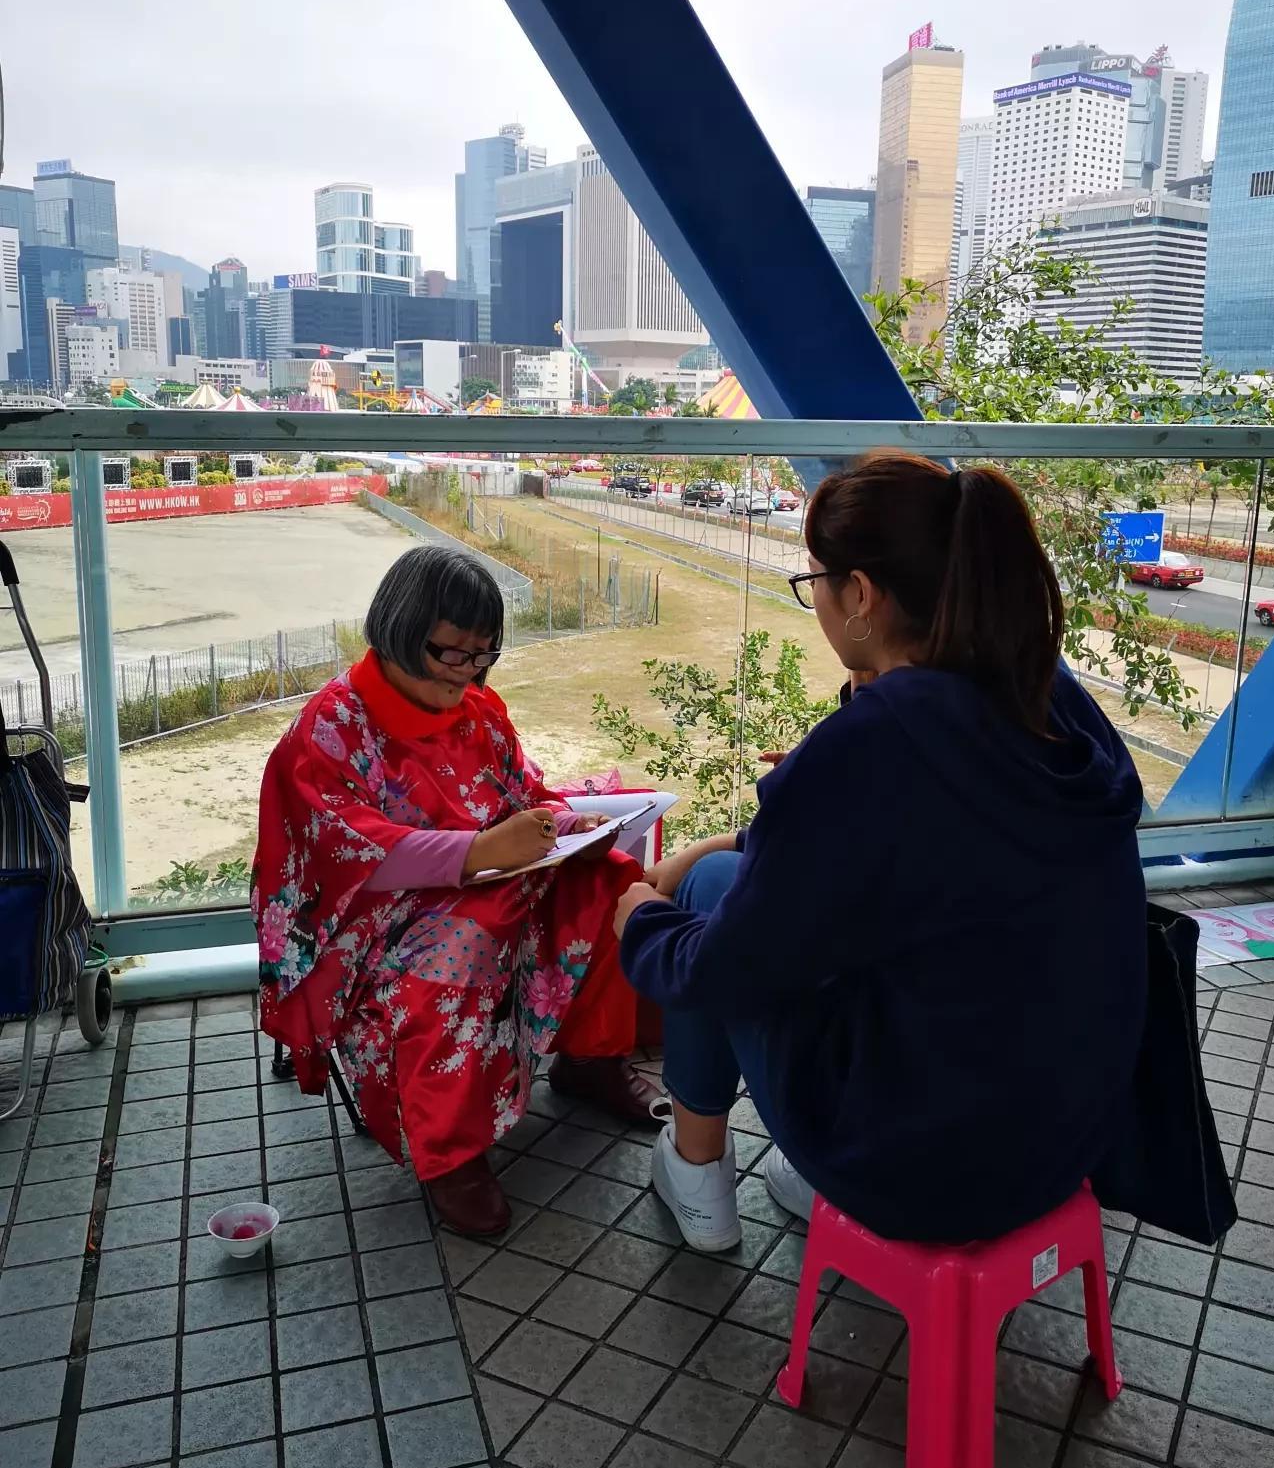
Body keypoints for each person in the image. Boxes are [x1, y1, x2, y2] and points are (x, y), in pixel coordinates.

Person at [613, 451, 1148, 1252]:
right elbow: (910, 851)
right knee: (730, 871)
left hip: (922, 1167)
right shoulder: (1047, 695)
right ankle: (794, 1169)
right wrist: (747, 829)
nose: (817, 601)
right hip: (1070, 1136)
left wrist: (640, 921)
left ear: (860, 594)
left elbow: (722, 967)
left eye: (816, 582)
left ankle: (697, 1175)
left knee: (701, 904)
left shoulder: (878, 745)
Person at [253, 545, 662, 1236]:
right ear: (400, 629)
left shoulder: (479, 711)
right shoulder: (330, 729)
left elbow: (520, 794)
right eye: (452, 653)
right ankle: (449, 1155)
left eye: (484, 656)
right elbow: (347, 851)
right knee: (461, 946)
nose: (469, 672)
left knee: (610, 882)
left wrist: (563, 823)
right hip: (369, 923)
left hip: (488, 882)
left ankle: (591, 1059)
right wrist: (478, 852)